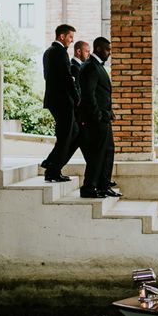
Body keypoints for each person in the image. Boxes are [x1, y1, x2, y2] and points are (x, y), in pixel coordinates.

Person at [78, 37, 120, 199]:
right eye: (107, 49)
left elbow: (101, 94)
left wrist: (109, 112)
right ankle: (89, 187)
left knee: (108, 151)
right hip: (95, 120)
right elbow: (89, 95)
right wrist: (99, 116)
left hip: (103, 117)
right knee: (97, 154)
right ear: (97, 48)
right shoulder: (90, 67)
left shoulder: (97, 67)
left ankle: (103, 185)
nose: (109, 53)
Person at [41, 40, 90, 171]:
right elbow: (72, 88)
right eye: (87, 51)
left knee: (70, 137)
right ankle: (53, 166)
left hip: (70, 109)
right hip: (70, 108)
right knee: (67, 137)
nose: (89, 54)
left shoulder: (75, 65)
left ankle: (52, 164)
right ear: (78, 51)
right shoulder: (73, 67)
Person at [42, 24, 79, 183]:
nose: (71, 41)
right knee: (66, 136)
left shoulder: (48, 52)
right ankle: (53, 170)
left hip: (54, 100)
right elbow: (66, 78)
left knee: (72, 133)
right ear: (62, 36)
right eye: (70, 37)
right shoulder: (60, 52)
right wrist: (77, 97)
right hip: (63, 101)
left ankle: (51, 163)